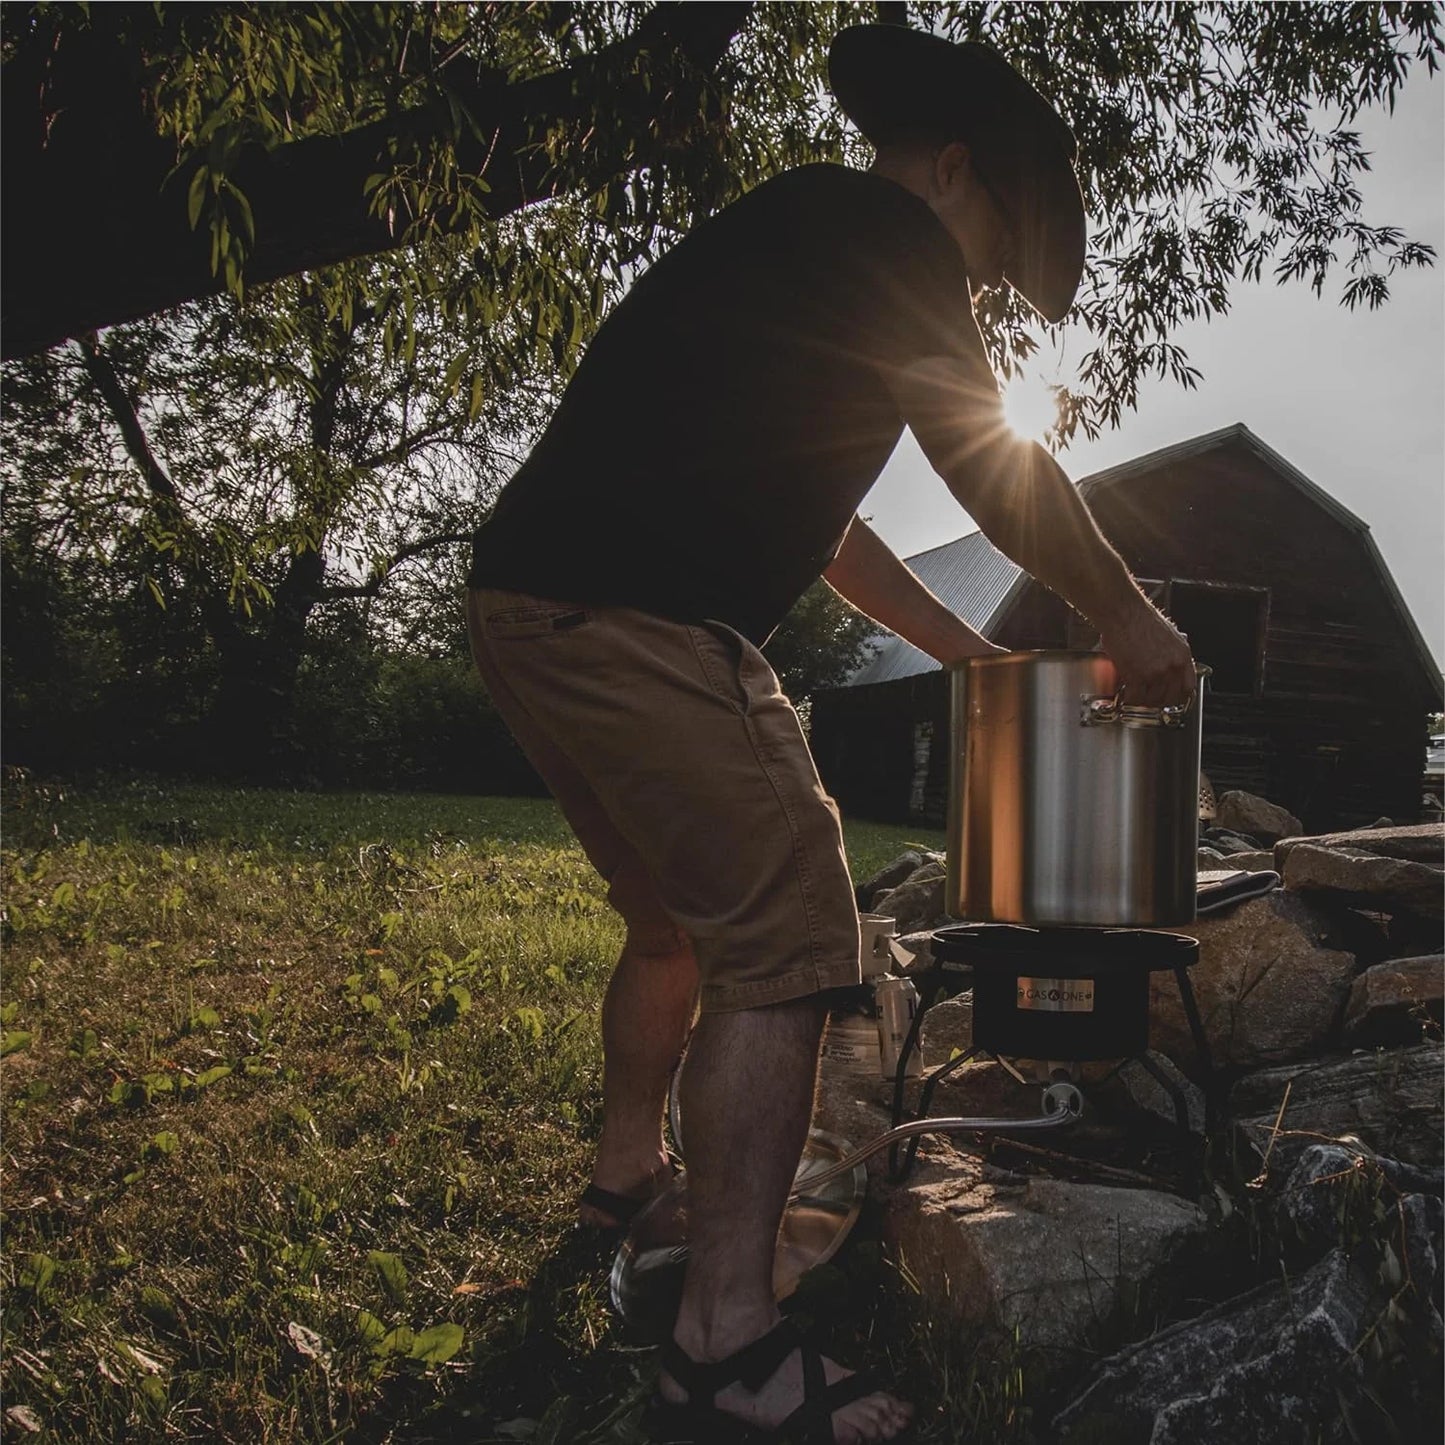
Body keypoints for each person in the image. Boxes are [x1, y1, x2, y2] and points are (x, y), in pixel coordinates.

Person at [465, 24, 1195, 1445]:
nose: (978, 284)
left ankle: (627, 1181)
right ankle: (725, 1347)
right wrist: (1128, 616)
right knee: (797, 926)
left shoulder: (797, 252)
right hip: (639, 612)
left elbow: (837, 535)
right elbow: (995, 455)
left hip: (529, 597)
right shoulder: (877, 232)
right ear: (951, 169)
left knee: (678, 923)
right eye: (991, 245)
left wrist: (971, 654)